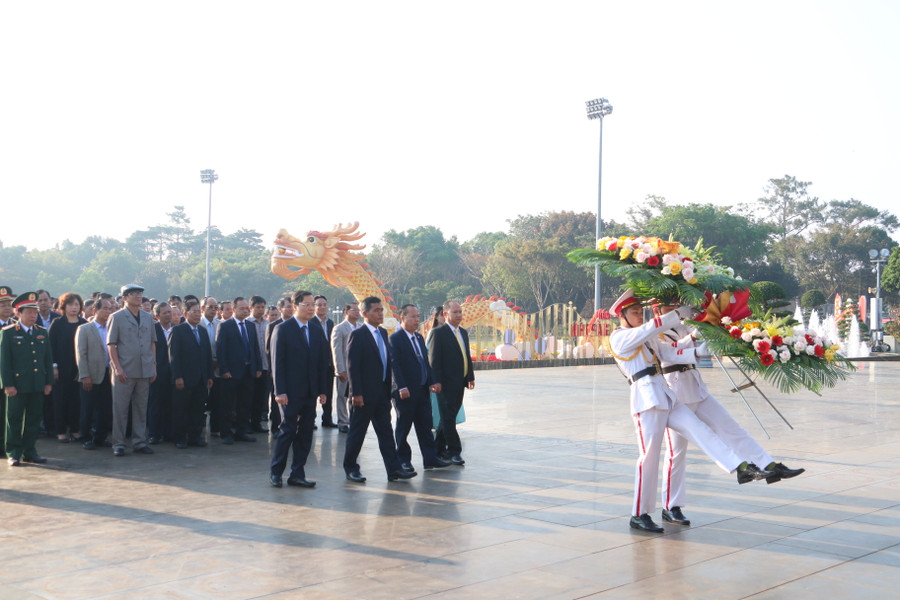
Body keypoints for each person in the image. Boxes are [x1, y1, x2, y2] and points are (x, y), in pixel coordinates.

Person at [608, 290, 770, 533]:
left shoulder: (649, 339)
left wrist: (701, 349)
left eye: (640, 312)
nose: (639, 316)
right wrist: (675, 315)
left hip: (666, 394)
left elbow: (670, 352)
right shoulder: (619, 337)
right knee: (649, 457)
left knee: (700, 430)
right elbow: (645, 330)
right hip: (645, 399)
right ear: (622, 316)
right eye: (634, 312)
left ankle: (740, 468)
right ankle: (639, 514)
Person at [654, 299, 805, 527]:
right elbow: (671, 353)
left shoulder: (683, 325)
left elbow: (700, 335)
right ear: (658, 310)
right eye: (670, 307)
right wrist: (694, 338)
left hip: (696, 387)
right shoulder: (654, 332)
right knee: (676, 455)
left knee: (732, 428)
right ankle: (671, 507)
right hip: (676, 393)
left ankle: (769, 465)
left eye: (677, 305)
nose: (676, 310)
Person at [343, 296, 414, 483]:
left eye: (381, 310)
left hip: (382, 394)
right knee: (357, 433)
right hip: (363, 396)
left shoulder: (383, 333)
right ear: (365, 314)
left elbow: (387, 363)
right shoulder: (358, 335)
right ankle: (351, 468)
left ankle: (394, 469)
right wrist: (355, 393)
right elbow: (352, 366)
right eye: (376, 310)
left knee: (386, 434)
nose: (380, 313)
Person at [269, 290, 328, 488]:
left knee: (305, 434)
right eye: (307, 305)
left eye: (314, 305)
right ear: (295, 306)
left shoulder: (316, 328)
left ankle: (297, 473)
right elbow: (278, 362)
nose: (312, 308)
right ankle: (276, 472)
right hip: (289, 392)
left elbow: (321, 361)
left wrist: (322, 389)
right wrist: (280, 391)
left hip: (310, 391)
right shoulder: (283, 329)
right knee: (287, 431)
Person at [389, 304, 451, 473]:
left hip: (422, 390)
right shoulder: (395, 338)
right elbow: (394, 365)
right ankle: (403, 461)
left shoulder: (418, 337)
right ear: (403, 318)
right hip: (405, 392)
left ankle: (430, 458)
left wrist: (433, 381)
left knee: (425, 426)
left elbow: (425, 362)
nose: (417, 320)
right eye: (413, 317)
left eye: (418, 316)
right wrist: (401, 386)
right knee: (404, 427)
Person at [1, 292, 53, 466]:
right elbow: (4, 362)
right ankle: (13, 452)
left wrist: (48, 382)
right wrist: (8, 384)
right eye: (29, 312)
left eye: (35, 312)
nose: (33, 316)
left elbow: (47, 359)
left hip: (37, 383)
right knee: (14, 419)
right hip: (17, 385)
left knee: (33, 419)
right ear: (18, 313)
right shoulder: (8, 334)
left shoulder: (42, 333)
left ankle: (29, 451)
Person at [107, 283, 157, 456]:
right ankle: (118, 443)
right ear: (124, 298)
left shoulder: (147, 317)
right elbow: (111, 345)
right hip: (124, 372)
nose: (138, 296)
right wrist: (117, 368)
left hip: (144, 370)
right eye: (134, 293)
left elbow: (152, 342)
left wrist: (153, 365)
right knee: (120, 410)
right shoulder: (117, 317)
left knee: (141, 408)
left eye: (140, 293)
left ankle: (139, 442)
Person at [428, 300, 474, 466]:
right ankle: (454, 451)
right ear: (446, 314)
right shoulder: (438, 333)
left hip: (459, 382)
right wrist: (435, 381)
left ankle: (437, 449)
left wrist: (470, 376)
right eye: (455, 312)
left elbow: (465, 356)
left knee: (448, 417)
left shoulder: (463, 332)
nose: (459, 315)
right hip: (444, 384)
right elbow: (434, 361)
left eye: (460, 312)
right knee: (448, 418)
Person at [215, 297, 261, 444]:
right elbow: (221, 350)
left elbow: (255, 349)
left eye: (247, 308)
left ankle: (242, 431)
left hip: (248, 371)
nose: (245, 311)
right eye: (242, 308)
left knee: (245, 403)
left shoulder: (250, 326)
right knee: (228, 404)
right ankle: (226, 432)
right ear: (234, 310)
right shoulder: (225, 326)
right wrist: (224, 369)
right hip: (231, 372)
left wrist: (257, 367)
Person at [169, 300, 214, 449]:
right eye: (194, 312)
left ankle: (196, 437)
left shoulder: (202, 330)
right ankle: (180, 438)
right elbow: (174, 356)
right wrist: (178, 376)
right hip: (185, 378)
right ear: (185, 313)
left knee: (198, 410)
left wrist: (209, 376)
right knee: (181, 409)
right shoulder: (178, 330)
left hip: (201, 378)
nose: (197, 315)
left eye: (198, 312)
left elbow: (207, 355)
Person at [75, 295, 114, 450]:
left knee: (104, 409)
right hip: (90, 375)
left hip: (108, 374)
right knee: (87, 408)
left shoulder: (111, 327)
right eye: (105, 308)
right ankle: (86, 437)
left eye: (110, 308)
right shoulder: (84, 329)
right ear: (94, 310)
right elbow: (81, 354)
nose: (108, 311)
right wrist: (85, 375)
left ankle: (101, 437)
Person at [48, 292, 87, 443]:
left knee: (76, 400)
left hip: (78, 369)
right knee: (60, 401)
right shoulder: (57, 323)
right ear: (64, 306)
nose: (74, 307)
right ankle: (61, 431)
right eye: (71, 304)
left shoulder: (83, 324)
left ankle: (75, 430)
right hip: (60, 369)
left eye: (77, 304)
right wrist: (54, 366)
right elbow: (50, 347)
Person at [331, 302, 360, 434]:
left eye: (358, 310)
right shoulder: (339, 328)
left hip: (358, 369)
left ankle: (354, 420)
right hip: (344, 368)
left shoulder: (360, 328)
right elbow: (336, 350)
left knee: (356, 394)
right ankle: (343, 421)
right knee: (342, 395)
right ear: (346, 312)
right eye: (354, 310)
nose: (357, 312)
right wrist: (339, 369)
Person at [265, 297, 293, 431]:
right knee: (277, 399)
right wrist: (272, 370)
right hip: (278, 370)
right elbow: (269, 351)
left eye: (292, 306)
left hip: (293, 370)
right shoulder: (273, 326)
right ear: (280, 309)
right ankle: (276, 427)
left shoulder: (297, 325)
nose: (291, 308)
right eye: (288, 306)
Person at [148, 302, 174, 444]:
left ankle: (168, 433)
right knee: (155, 404)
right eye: (165, 312)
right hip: (157, 372)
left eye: (169, 312)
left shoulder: (176, 329)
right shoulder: (153, 329)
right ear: (157, 315)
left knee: (171, 404)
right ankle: (154, 433)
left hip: (173, 373)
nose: (168, 315)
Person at [312, 295, 338, 428]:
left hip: (328, 363)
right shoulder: (310, 322)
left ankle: (327, 419)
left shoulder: (330, 323)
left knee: (328, 392)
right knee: (313, 392)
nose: (322, 307)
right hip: (314, 364)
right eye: (319, 305)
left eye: (324, 304)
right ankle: (310, 420)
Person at [247, 295, 270, 434]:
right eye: (258, 307)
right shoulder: (247, 323)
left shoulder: (268, 324)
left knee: (261, 398)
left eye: (262, 307)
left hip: (266, 366)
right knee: (248, 397)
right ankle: (246, 423)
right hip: (251, 367)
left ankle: (256, 423)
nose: (261, 310)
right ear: (251, 308)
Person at [0, 286, 15, 456]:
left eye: (8, 304)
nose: (6, 307)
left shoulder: (16, 326)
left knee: (8, 413)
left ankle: (6, 443)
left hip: (11, 378)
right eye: (2, 304)